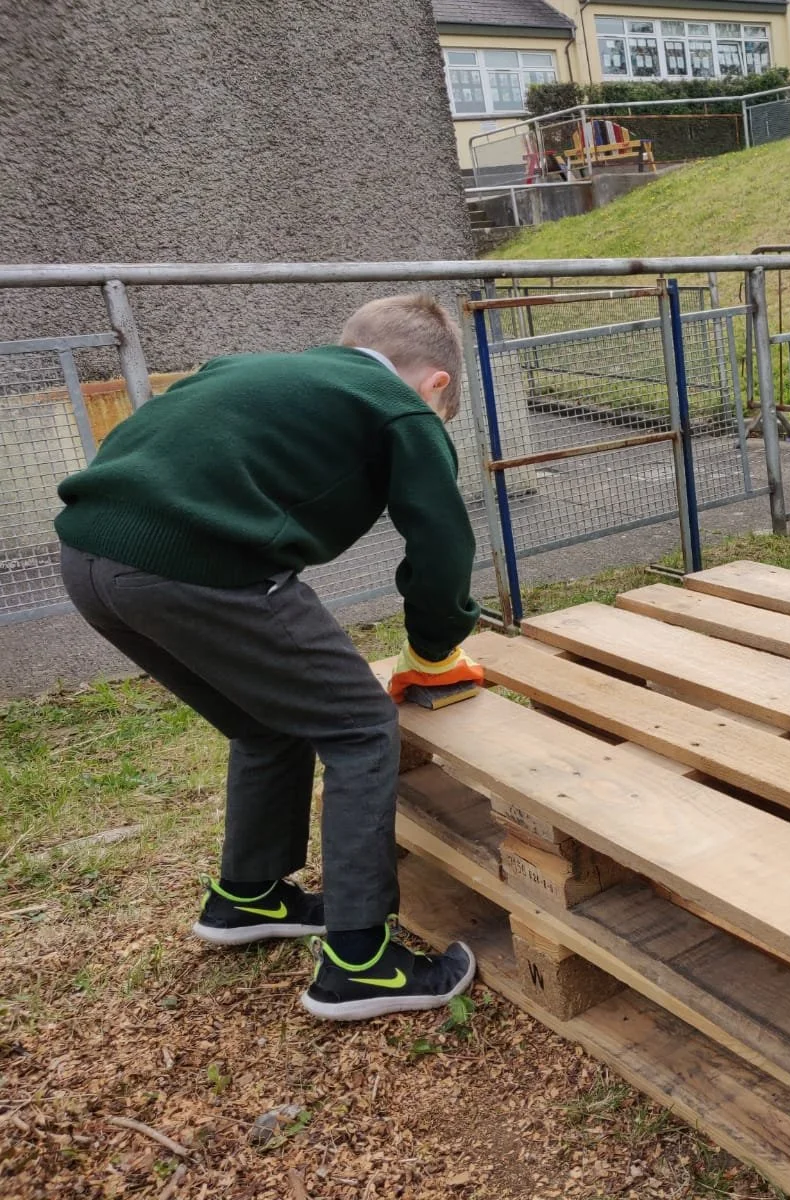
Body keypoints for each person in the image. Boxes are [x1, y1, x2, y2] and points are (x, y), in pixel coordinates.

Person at [56, 294, 488, 1021]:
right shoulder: (403, 408)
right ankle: (359, 964)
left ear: (349, 344)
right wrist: (432, 650)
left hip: (89, 558)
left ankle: (247, 895)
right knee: (357, 729)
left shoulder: (252, 369)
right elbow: (442, 547)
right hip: (198, 569)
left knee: (265, 721)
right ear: (436, 383)